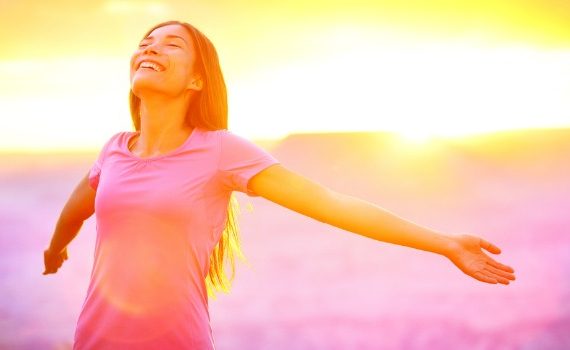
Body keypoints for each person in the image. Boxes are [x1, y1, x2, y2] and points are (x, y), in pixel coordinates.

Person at [42, 20, 516, 350]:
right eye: (147, 41)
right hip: (95, 340)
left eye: (171, 44)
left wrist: (444, 243)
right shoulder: (114, 149)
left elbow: (330, 203)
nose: (150, 47)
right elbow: (80, 204)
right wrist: (56, 248)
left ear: (197, 82)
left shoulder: (221, 150)